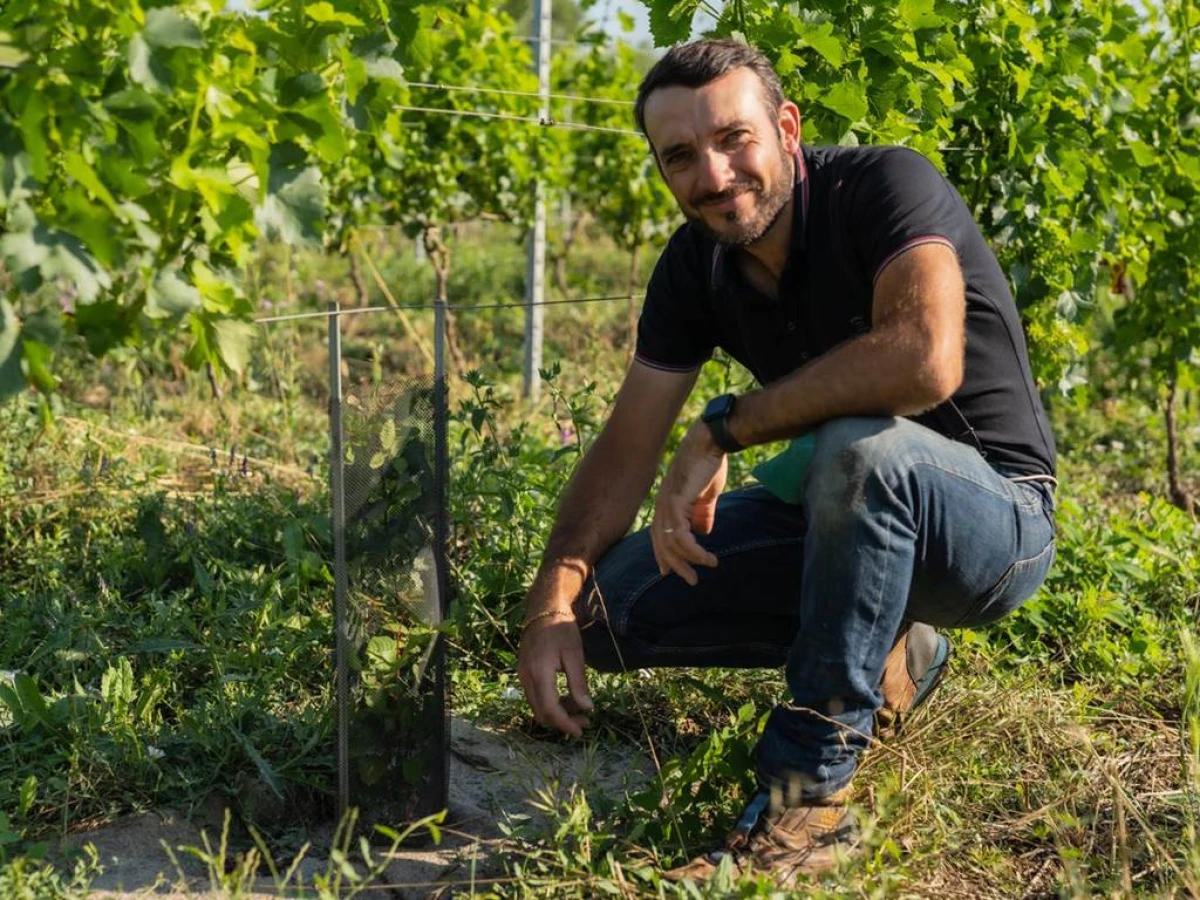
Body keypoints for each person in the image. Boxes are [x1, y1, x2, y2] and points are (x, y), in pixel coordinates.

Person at [516, 38, 1058, 886]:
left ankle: (807, 802)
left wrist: (724, 429)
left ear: (787, 128)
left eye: (734, 139)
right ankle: (896, 648)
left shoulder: (884, 187)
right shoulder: (694, 266)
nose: (716, 173)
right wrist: (552, 594)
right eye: (682, 156)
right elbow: (626, 448)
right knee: (606, 615)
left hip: (995, 523)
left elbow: (925, 359)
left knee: (861, 450)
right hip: (846, 522)